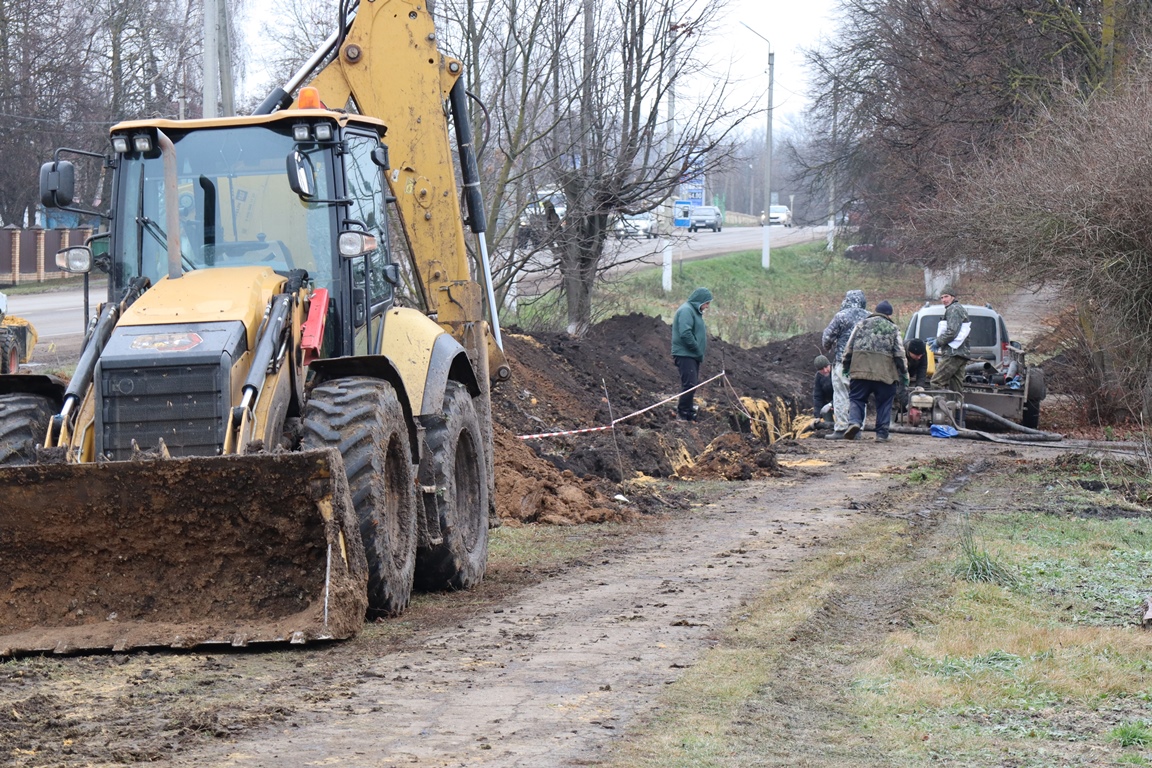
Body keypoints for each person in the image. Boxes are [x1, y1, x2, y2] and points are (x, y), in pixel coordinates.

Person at [841, 300, 908, 443]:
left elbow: (848, 348)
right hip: (884, 373)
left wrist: (846, 367)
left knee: (857, 398)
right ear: (889, 315)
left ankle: (854, 422)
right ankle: (882, 434)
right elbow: (899, 354)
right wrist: (904, 374)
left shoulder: (860, 324)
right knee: (884, 402)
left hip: (860, 370)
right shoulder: (893, 328)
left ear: (875, 311)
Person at [821, 289, 868, 439]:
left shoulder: (841, 316)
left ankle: (841, 428)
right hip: (864, 364)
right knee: (860, 396)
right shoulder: (869, 317)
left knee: (841, 394)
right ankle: (858, 428)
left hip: (843, 363)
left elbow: (827, 338)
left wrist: (828, 347)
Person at [671, 287, 713, 421]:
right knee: (689, 384)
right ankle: (683, 413)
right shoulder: (686, 311)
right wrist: (696, 347)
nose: (707, 306)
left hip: (692, 354)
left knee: (692, 384)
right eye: (706, 303)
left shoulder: (693, 311)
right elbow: (685, 332)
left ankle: (689, 411)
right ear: (699, 301)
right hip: (685, 354)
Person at [930, 286, 970, 395]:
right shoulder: (958, 308)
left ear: (953, 297)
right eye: (942, 297)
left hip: (953, 353)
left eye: (946, 296)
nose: (944, 300)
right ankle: (957, 406)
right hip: (961, 354)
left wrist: (938, 342)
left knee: (936, 382)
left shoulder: (953, 309)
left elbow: (952, 331)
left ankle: (940, 405)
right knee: (956, 388)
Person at [895, 338, 928, 414]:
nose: (919, 357)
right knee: (898, 392)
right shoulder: (900, 352)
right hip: (899, 371)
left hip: (912, 370)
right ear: (910, 352)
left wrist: (920, 385)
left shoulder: (922, 351)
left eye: (921, 355)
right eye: (917, 355)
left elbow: (922, 368)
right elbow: (900, 382)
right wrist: (908, 404)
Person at [812, 354, 834, 427]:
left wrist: (831, 404)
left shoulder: (836, 372)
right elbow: (818, 396)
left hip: (842, 401)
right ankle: (830, 427)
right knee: (824, 412)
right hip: (829, 402)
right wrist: (817, 415)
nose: (825, 370)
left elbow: (842, 393)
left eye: (826, 367)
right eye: (821, 369)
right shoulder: (819, 377)